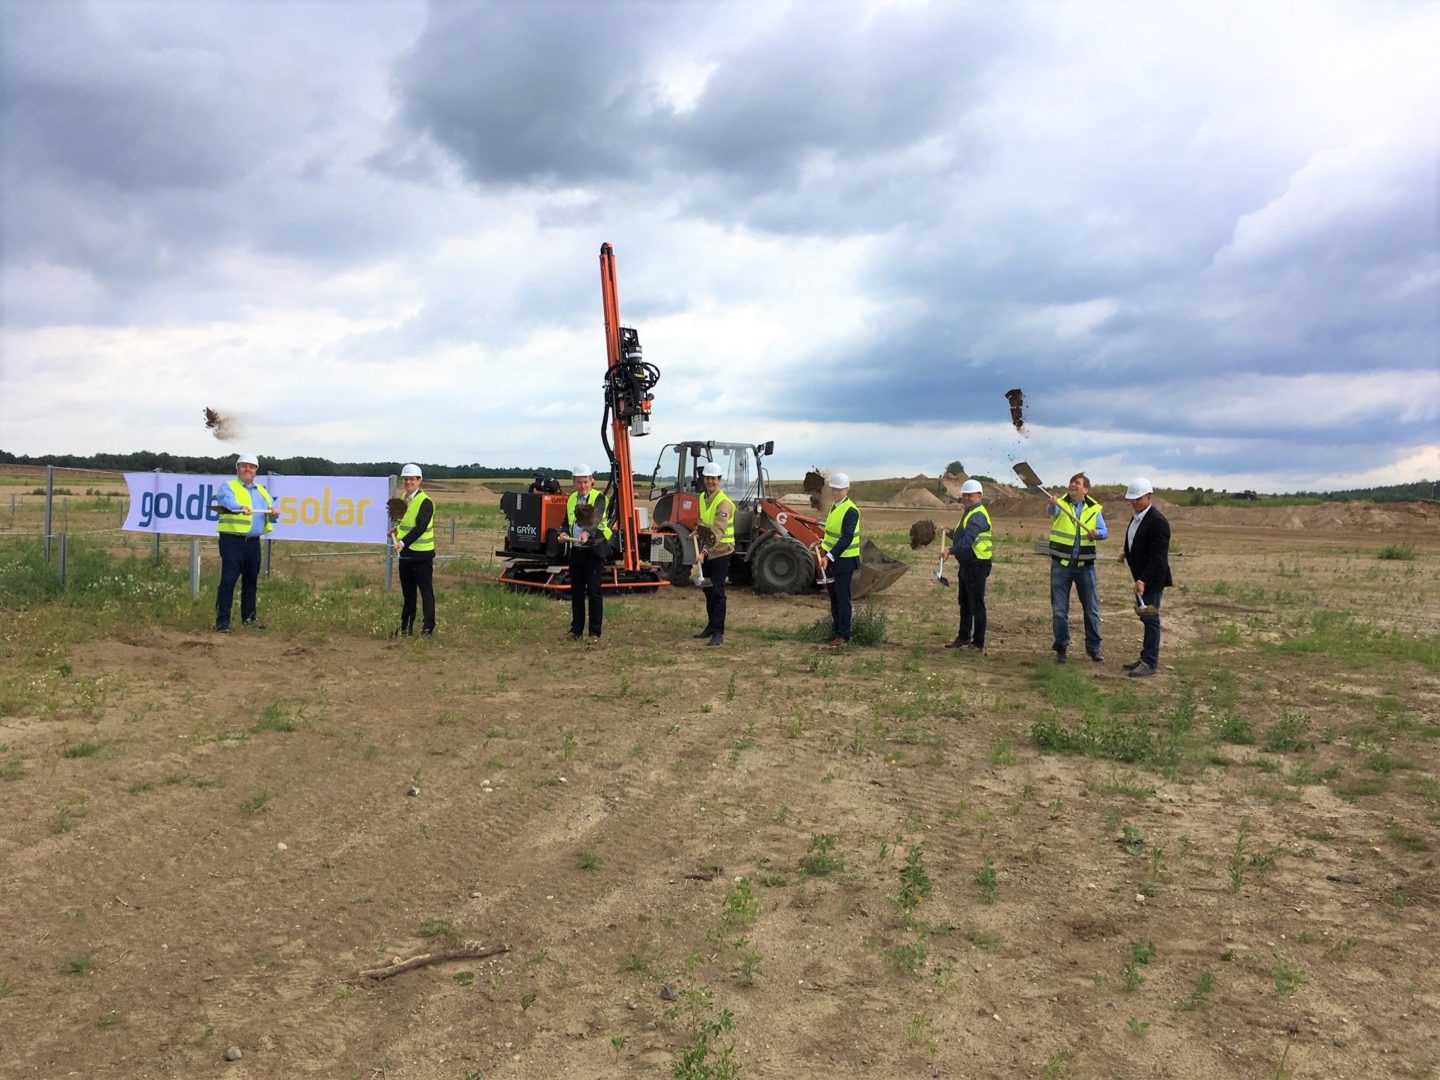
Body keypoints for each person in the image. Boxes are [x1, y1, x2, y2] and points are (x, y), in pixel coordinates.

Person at [212, 452, 280, 632]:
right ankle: (223, 622)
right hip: (232, 541)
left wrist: (274, 513)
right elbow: (226, 501)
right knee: (228, 580)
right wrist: (240, 507)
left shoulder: (262, 492)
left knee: (251, 581)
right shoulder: (229, 486)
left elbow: (269, 515)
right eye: (244, 465)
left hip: (253, 543)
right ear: (237, 468)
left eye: (251, 466)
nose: (247, 469)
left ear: (256, 471)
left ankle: (249, 619)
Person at [1047, 471, 1108, 663]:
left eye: (1078, 483)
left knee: (1091, 609)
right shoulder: (1060, 503)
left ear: (1085, 489)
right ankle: (1061, 647)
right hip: (1061, 566)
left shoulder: (1094, 508)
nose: (1073, 484)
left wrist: (1096, 534)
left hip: (1086, 567)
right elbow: (1051, 512)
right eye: (1072, 482)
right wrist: (1052, 504)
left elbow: (1104, 532)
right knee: (1059, 610)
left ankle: (1094, 648)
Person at [1121, 478, 1172, 677]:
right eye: (1131, 499)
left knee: (1151, 619)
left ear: (1149, 497)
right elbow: (1137, 542)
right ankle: (1145, 657)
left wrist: (1143, 580)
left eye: (1137, 499)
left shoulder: (1158, 522)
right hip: (1140, 577)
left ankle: (1150, 662)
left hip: (1151, 579)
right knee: (1145, 618)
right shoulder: (1137, 516)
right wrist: (1127, 554)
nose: (1133, 503)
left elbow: (1159, 557)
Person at [564, 464, 611, 643]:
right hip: (576, 550)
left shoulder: (599, 498)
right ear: (574, 482)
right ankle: (576, 630)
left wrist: (587, 533)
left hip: (594, 550)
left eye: (585, 482)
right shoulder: (571, 499)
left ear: (592, 481)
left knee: (593, 591)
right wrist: (563, 533)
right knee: (576, 592)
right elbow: (566, 520)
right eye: (579, 482)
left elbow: (596, 519)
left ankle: (594, 633)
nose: (582, 485)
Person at [944, 478, 992, 652]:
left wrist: (950, 550)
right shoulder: (969, 513)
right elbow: (960, 536)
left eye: (969, 495)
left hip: (978, 564)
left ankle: (978, 643)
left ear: (979, 496)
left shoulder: (978, 515)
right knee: (964, 602)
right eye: (964, 495)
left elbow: (968, 540)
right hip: (967, 564)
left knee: (976, 604)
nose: (966, 498)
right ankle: (964, 636)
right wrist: (948, 532)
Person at [693, 461, 735, 646]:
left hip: (722, 551)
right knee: (708, 590)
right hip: (708, 551)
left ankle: (719, 632)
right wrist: (697, 530)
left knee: (718, 591)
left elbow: (717, 531)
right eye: (708, 478)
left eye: (714, 479)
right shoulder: (703, 498)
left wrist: (703, 552)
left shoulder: (724, 503)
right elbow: (704, 521)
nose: (710, 481)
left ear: (719, 480)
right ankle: (710, 626)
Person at [391, 463, 436, 637]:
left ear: (419, 481)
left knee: (426, 593)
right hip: (406, 555)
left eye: (412, 479)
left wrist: (403, 542)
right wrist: (395, 532)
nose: (408, 482)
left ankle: (427, 629)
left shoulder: (426, 502)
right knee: (408, 594)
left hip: (422, 555)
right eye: (406, 479)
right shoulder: (404, 498)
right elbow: (404, 524)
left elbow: (420, 527)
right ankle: (406, 628)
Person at [818, 472, 861, 646]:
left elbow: (846, 538)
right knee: (834, 597)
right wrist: (822, 544)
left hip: (845, 560)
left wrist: (829, 555)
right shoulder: (834, 507)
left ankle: (843, 634)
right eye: (834, 489)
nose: (836, 492)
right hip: (832, 558)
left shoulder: (851, 510)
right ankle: (836, 630)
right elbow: (832, 534)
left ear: (847, 489)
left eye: (840, 489)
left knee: (842, 598)